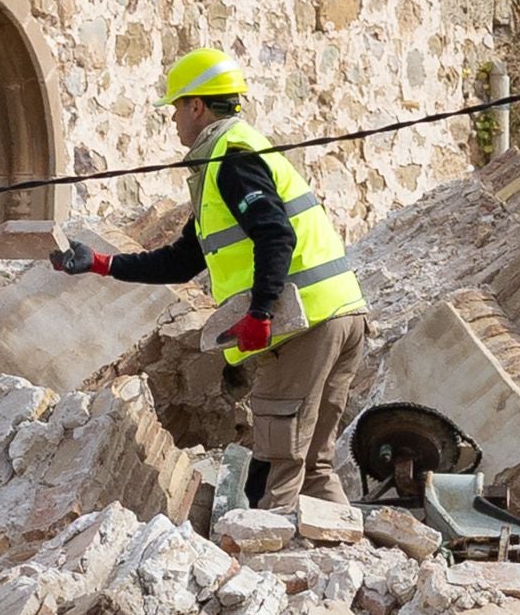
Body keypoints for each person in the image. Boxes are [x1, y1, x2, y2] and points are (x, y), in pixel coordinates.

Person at [56, 47, 368, 513]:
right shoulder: (232, 158)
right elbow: (182, 261)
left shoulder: (232, 160)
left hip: (305, 325)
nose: (174, 120)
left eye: (177, 108)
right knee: (314, 466)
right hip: (342, 314)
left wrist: (260, 312)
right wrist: (103, 263)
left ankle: (271, 566)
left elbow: (274, 234)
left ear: (197, 106)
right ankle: (340, 563)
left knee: (280, 463)